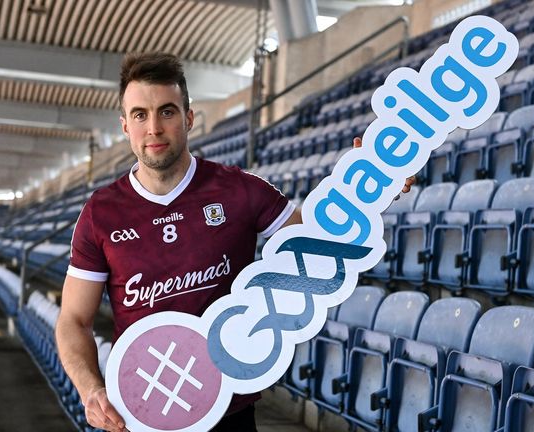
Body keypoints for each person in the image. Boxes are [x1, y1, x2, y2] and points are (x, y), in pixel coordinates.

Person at [55, 51, 415, 432]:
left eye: (167, 111)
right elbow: (74, 320)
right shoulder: (101, 213)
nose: (154, 128)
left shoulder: (238, 189)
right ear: (125, 125)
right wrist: (91, 388)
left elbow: (315, 240)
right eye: (140, 115)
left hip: (229, 413)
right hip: (140, 416)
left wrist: (371, 184)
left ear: (189, 118)